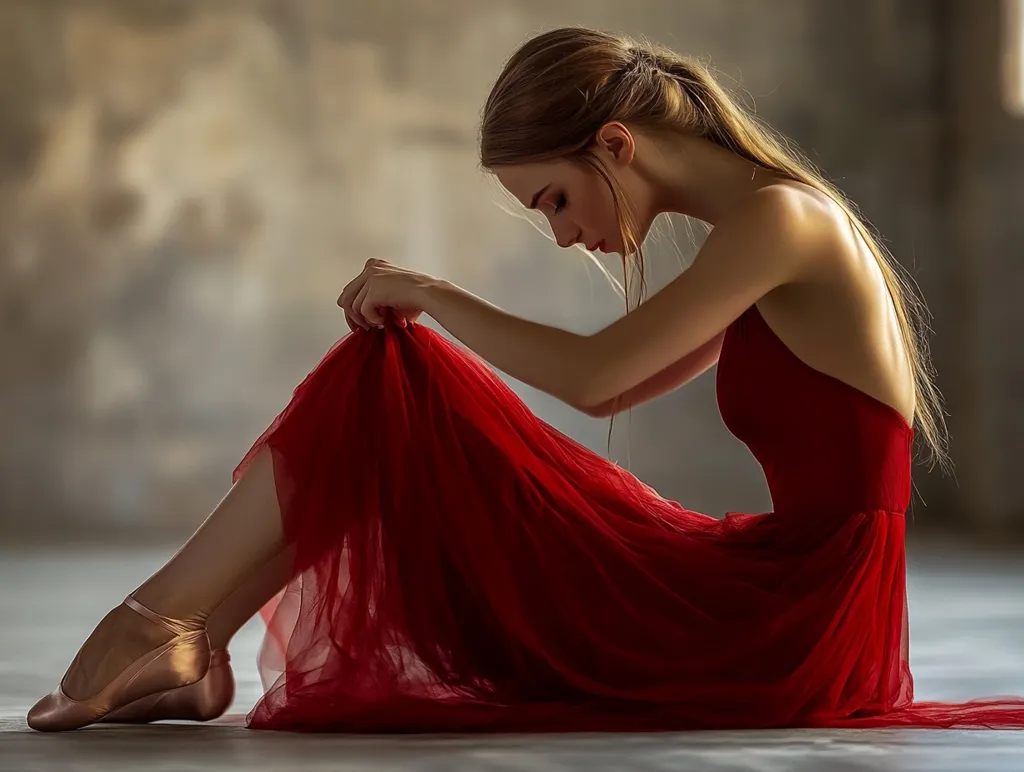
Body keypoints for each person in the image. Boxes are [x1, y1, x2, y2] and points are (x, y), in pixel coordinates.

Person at [27, 26, 1024, 733]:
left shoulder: (785, 221)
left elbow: (596, 378)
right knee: (388, 383)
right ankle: (188, 635)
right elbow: (626, 386)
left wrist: (427, 291)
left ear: (616, 146)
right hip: (788, 606)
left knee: (390, 383)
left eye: (553, 198)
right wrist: (422, 313)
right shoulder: (763, 228)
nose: (561, 234)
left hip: (792, 627)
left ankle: (157, 626)